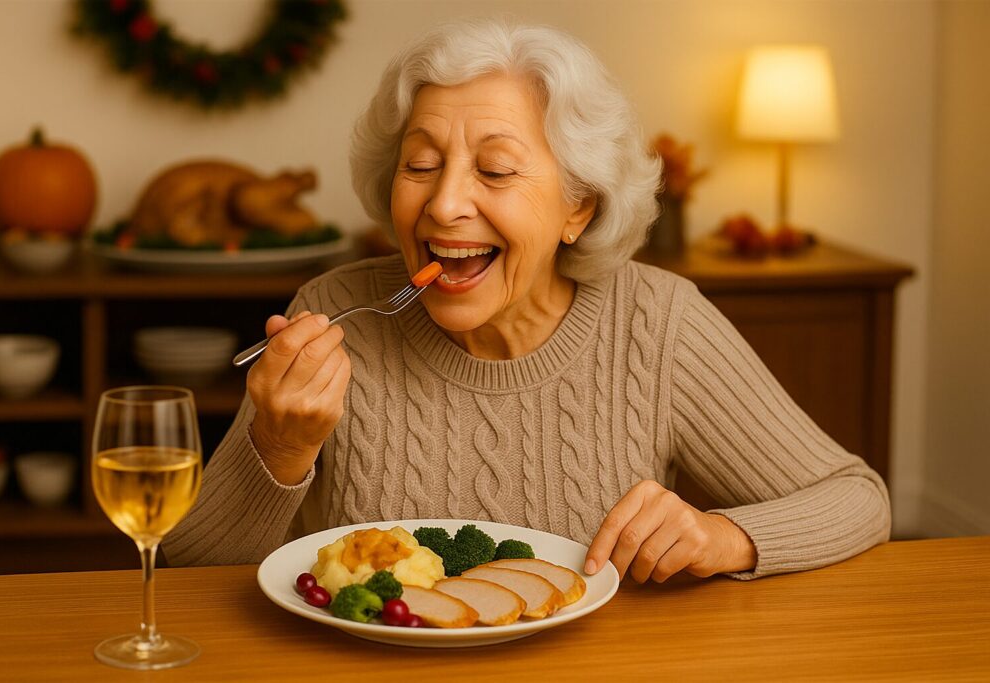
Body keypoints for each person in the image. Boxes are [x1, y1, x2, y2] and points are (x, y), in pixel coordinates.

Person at [164, 18, 890, 583]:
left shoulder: (657, 322)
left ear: (578, 206)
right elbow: (189, 570)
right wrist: (280, 447)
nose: (444, 204)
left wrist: (723, 538)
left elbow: (858, 498)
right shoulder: (333, 307)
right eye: (420, 164)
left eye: (496, 169)